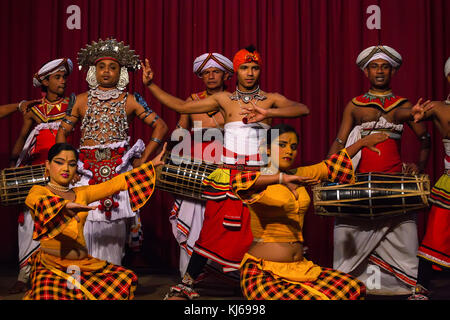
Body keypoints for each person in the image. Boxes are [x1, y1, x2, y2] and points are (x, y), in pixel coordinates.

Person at [141, 45, 310, 299]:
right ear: (237, 71)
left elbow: (302, 109)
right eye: (244, 67)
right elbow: (180, 106)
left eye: (254, 68)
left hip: (259, 178)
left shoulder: (270, 99)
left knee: (259, 233)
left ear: (260, 70)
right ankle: (187, 283)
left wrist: (267, 112)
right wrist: (151, 85)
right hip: (228, 177)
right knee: (212, 231)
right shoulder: (225, 100)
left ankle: (258, 281)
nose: (250, 73)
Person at [231, 123, 388, 300]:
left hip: (300, 268)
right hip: (264, 272)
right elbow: (239, 182)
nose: (289, 151)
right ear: (266, 149)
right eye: (282, 145)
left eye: (293, 147)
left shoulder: (299, 173)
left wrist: (361, 143)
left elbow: (331, 166)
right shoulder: (260, 180)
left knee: (353, 289)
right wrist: (282, 178)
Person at [327, 45, 431, 295]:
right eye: (375, 66)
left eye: (385, 66)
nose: (380, 71)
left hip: (394, 184)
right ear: (366, 72)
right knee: (349, 232)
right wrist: (327, 167)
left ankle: (407, 287)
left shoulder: (401, 105)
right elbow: (340, 142)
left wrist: (419, 166)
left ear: (393, 72)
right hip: (359, 183)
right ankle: (348, 286)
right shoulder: (355, 105)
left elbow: (423, 136)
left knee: (403, 236)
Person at [56, 38, 168, 265]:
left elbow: (161, 126)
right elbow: (61, 134)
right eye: (101, 67)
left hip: (118, 171)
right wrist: (68, 164)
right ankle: (86, 281)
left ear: (121, 73)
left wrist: (143, 162)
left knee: (115, 230)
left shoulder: (130, 100)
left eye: (112, 67)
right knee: (83, 223)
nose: (106, 72)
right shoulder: (79, 101)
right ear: (93, 71)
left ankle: (110, 279)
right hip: (85, 173)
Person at [23, 142, 165, 300]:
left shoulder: (82, 193)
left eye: (71, 164)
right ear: (47, 165)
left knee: (124, 279)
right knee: (47, 294)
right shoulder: (38, 191)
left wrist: (150, 165)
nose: (66, 168)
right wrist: (63, 206)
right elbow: (39, 202)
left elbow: (116, 183)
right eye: (59, 162)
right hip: (51, 267)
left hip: (84, 266)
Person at [8, 58, 74, 294]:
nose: (63, 81)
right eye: (57, 77)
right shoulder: (34, 110)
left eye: (64, 77)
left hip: (67, 171)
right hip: (36, 171)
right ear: (45, 81)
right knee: (28, 223)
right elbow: (22, 140)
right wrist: (14, 164)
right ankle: (25, 274)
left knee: (67, 220)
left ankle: (65, 274)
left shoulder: (72, 105)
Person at [169, 52, 233, 277]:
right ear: (201, 76)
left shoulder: (234, 100)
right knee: (194, 217)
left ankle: (222, 275)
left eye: (216, 72)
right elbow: (179, 133)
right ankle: (190, 276)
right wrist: (172, 161)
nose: (211, 76)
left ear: (226, 74)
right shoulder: (192, 101)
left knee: (222, 219)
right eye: (206, 73)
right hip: (195, 169)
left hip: (226, 166)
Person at [406, 57, 450, 299]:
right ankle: (421, 285)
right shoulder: (438, 108)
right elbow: (405, 119)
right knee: (436, 231)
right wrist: (416, 115)